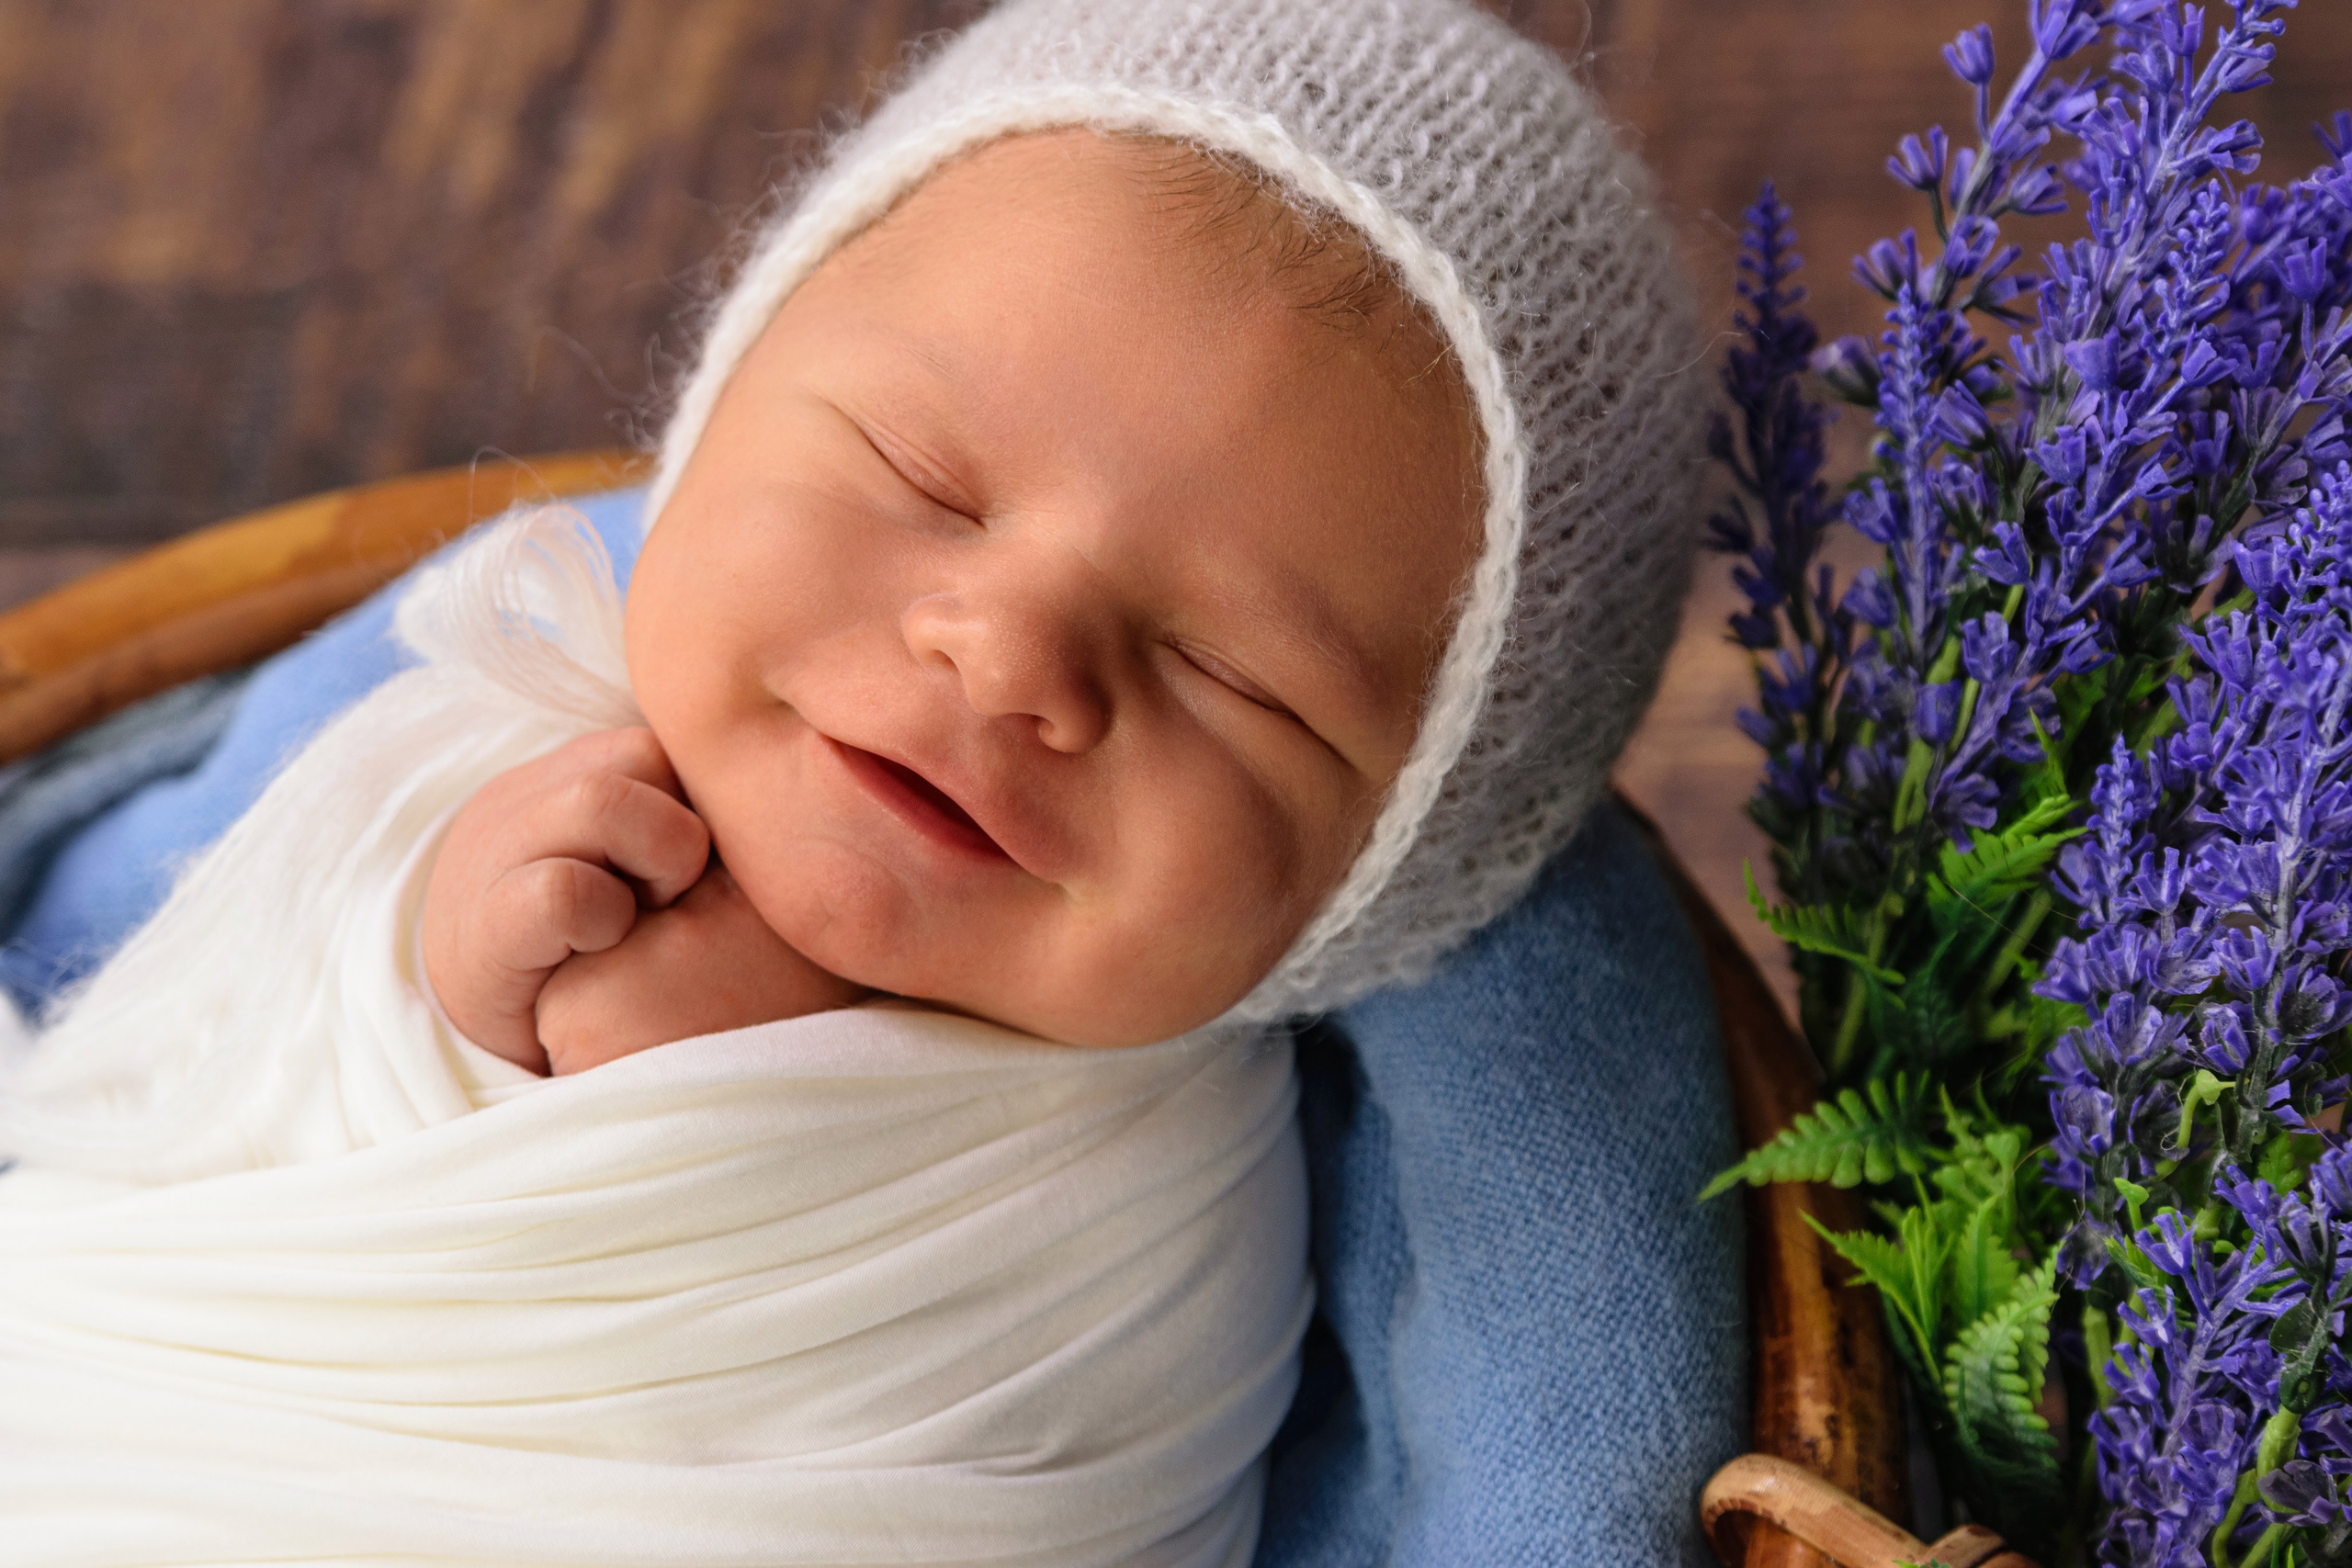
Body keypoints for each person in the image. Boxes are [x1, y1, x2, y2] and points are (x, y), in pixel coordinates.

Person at [0, 0, 1703, 1562]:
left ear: (1379, 893)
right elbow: (129, 1085)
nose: (1012, 654)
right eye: (923, 476)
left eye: (1233, 675)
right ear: (721, 414)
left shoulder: (1172, 1214)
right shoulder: (471, 713)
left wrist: (711, 1114)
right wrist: (426, 989)